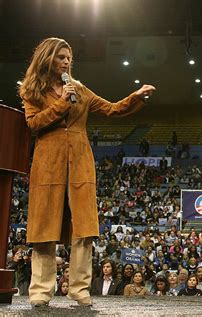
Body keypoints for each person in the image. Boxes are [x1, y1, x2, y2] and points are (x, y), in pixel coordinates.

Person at [19, 37, 155, 307]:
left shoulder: (79, 89)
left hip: (81, 162)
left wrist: (135, 97)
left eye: (69, 57)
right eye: (61, 57)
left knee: (84, 227)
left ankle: (80, 289)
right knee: (44, 227)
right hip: (48, 163)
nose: (67, 61)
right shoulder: (32, 90)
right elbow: (33, 123)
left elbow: (111, 109)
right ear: (47, 59)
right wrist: (62, 105)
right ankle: (40, 292)